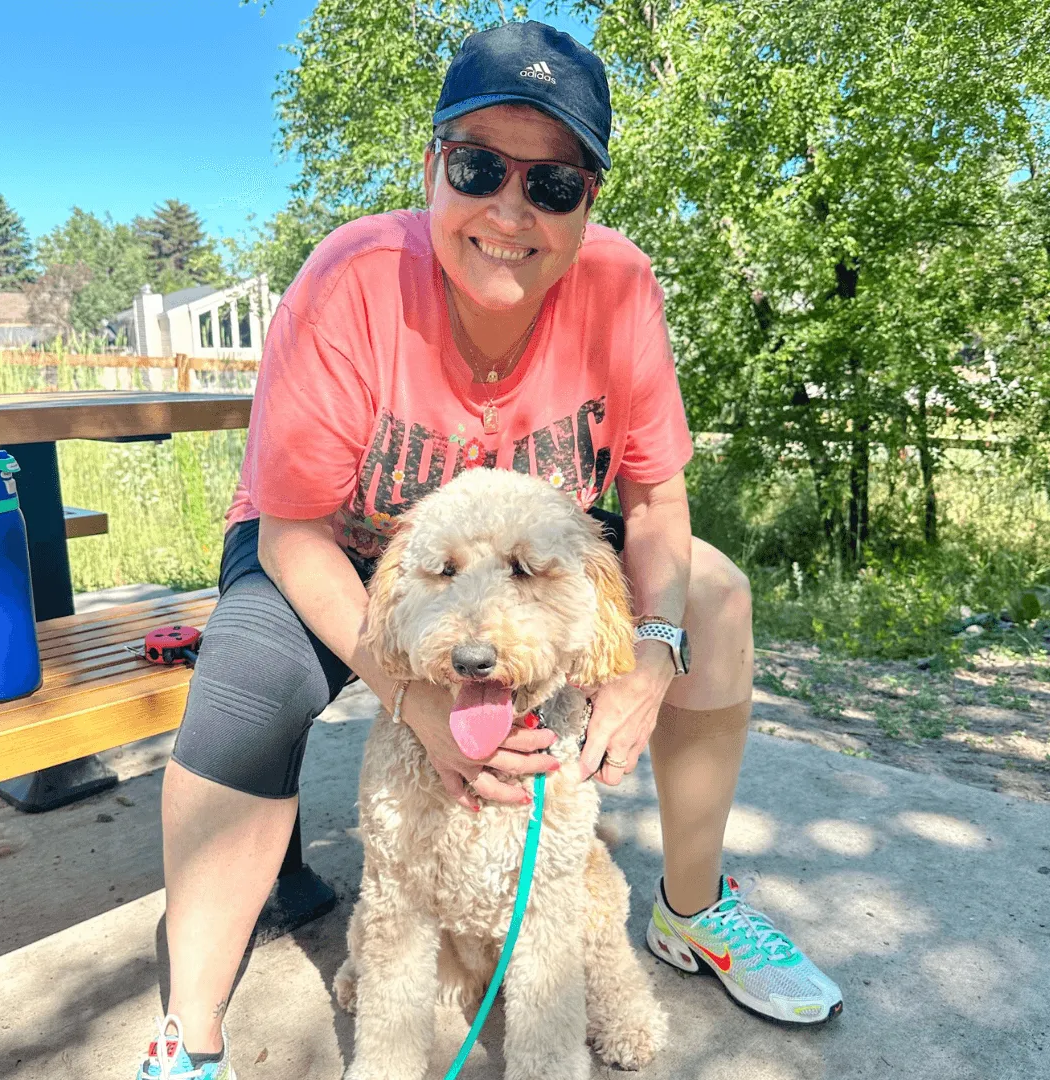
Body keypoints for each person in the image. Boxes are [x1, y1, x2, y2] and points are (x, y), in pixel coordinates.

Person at [135, 20, 842, 1080]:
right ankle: (189, 1035)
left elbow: (655, 502)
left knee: (719, 599)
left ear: (587, 201)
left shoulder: (618, 288)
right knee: (251, 678)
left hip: (527, 547)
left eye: (552, 184)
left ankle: (693, 907)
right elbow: (290, 529)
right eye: (478, 168)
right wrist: (415, 700)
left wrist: (648, 659)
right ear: (432, 167)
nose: (511, 210)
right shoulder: (350, 283)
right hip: (335, 543)